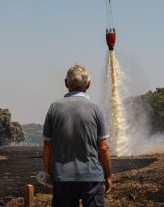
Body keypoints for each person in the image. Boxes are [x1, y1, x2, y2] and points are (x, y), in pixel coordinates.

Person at [43, 64, 112, 207]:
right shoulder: (97, 109)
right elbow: (104, 147)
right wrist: (108, 175)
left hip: (62, 178)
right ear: (88, 84)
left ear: (66, 83)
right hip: (92, 177)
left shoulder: (54, 108)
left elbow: (47, 145)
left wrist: (48, 173)